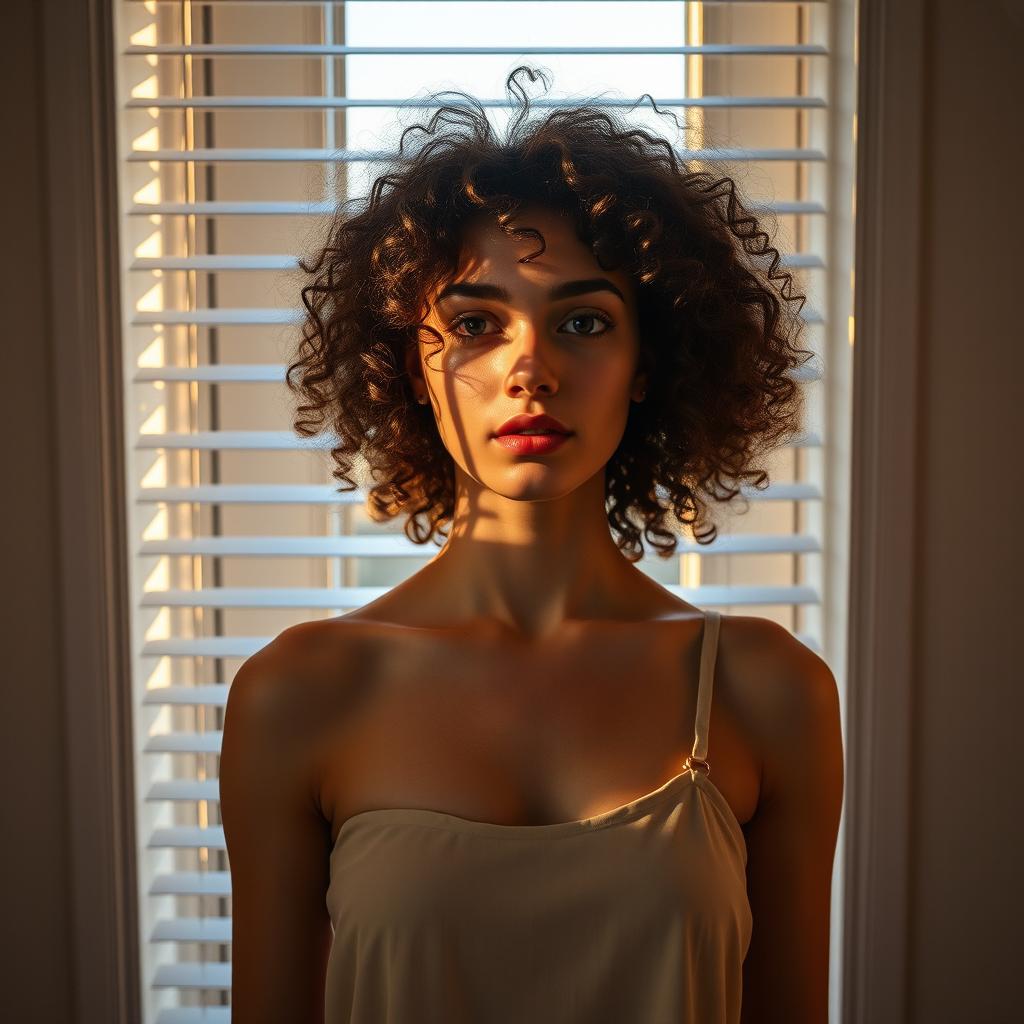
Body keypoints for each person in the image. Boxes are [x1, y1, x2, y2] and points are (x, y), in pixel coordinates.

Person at [220, 66, 844, 1024]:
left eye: (584, 322)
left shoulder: (771, 691)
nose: (531, 371)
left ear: (650, 363)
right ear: (413, 363)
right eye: (476, 324)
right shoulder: (298, 696)